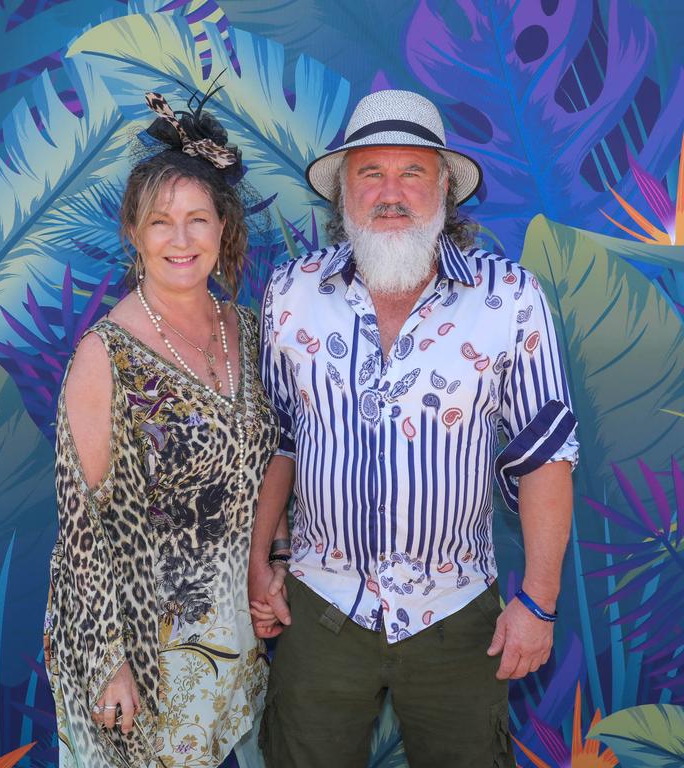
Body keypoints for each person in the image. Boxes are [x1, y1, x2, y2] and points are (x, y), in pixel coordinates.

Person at [250, 89, 579, 768]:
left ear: (444, 190)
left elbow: (544, 455)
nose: (390, 193)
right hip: (321, 606)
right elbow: (282, 439)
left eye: (412, 173)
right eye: (370, 173)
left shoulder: (510, 297)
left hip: (456, 615)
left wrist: (539, 603)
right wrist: (267, 558)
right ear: (344, 190)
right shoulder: (291, 293)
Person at [44, 90, 282, 767]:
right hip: (141, 654)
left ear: (224, 230)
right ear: (135, 233)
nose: (181, 240)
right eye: (160, 223)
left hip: (235, 643)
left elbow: (272, 465)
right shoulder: (106, 356)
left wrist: (276, 564)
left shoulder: (252, 334)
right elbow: (83, 531)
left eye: (197, 220)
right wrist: (108, 663)